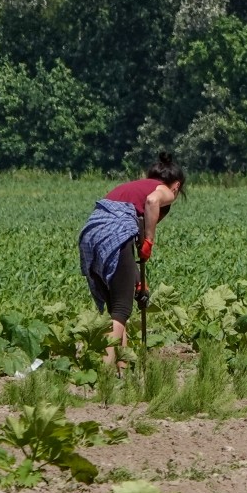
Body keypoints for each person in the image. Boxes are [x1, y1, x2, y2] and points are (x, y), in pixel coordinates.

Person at [78, 153, 185, 366]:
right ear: (176, 186)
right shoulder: (164, 190)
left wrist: (136, 279)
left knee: (117, 309)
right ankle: (103, 371)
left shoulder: (131, 187)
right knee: (122, 310)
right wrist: (149, 241)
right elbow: (153, 201)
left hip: (90, 234)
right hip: (114, 233)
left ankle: (122, 369)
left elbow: (126, 247)